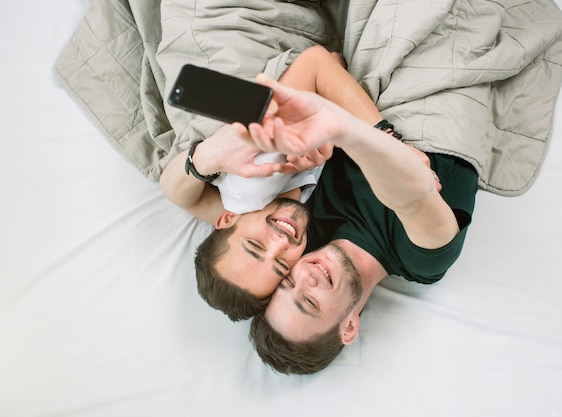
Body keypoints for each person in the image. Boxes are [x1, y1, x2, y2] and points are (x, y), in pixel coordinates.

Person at [246, 73, 479, 374]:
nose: (305, 276)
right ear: (348, 328)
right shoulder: (421, 259)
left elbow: (316, 70)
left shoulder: (304, 227)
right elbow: (413, 193)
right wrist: (351, 129)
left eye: (288, 282)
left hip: (374, 69)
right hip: (443, 83)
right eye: (309, 302)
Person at [160, 46, 406, 320]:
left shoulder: (255, 183)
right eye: (280, 265)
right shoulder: (277, 209)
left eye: (255, 246)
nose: (281, 242)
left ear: (226, 219)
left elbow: (319, 62)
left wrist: (388, 143)